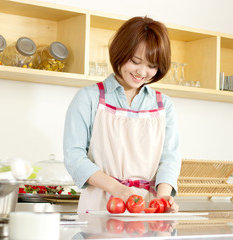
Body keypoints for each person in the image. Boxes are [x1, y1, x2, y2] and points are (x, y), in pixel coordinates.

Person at [63, 16, 181, 213]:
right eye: (136, 61)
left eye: (152, 66)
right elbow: (74, 157)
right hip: (100, 205)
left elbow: (169, 158)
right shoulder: (89, 98)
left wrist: (163, 197)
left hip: (148, 208)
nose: (142, 72)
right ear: (120, 51)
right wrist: (119, 190)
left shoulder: (164, 105)